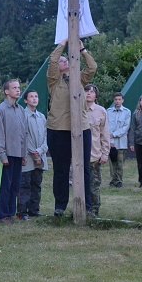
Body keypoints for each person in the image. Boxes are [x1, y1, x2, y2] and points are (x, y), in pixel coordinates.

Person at [46, 39, 97, 217]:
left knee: (84, 169)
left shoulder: (80, 78)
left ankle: (87, 206)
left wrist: (82, 50)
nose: (64, 61)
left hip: (81, 128)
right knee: (61, 169)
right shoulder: (54, 80)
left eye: (66, 59)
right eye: (62, 60)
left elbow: (92, 68)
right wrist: (63, 44)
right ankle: (60, 206)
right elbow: (53, 60)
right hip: (58, 129)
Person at [0, 79, 27, 225]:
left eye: (19, 87)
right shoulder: (1, 110)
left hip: (18, 154)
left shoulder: (21, 110)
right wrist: (2, 154)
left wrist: (24, 154)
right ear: (7, 91)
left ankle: (11, 213)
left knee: (15, 185)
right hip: (7, 154)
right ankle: (2, 215)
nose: (18, 90)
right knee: (5, 186)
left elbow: (24, 133)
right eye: (14, 88)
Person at [17, 89, 48, 220]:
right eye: (31, 97)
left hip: (40, 155)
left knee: (37, 184)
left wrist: (40, 151)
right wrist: (33, 152)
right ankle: (22, 212)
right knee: (25, 184)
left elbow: (45, 136)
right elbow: (24, 136)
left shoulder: (42, 117)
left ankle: (34, 210)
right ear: (25, 100)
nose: (34, 99)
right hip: (27, 156)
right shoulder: (22, 115)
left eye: (36, 96)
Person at [84, 84, 110, 217]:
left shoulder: (101, 111)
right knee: (80, 184)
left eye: (92, 92)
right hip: (78, 156)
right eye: (86, 91)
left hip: (94, 155)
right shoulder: (76, 109)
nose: (88, 93)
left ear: (96, 96)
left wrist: (105, 153)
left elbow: (105, 134)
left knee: (94, 185)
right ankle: (82, 209)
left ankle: (94, 211)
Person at [106, 92, 131, 188]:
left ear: (122, 100)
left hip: (121, 142)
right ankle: (113, 180)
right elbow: (106, 125)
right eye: (116, 99)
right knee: (112, 162)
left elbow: (125, 127)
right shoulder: (108, 112)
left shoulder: (127, 112)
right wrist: (109, 138)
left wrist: (114, 134)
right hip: (111, 142)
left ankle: (119, 180)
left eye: (119, 99)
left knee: (119, 163)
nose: (117, 101)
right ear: (114, 100)